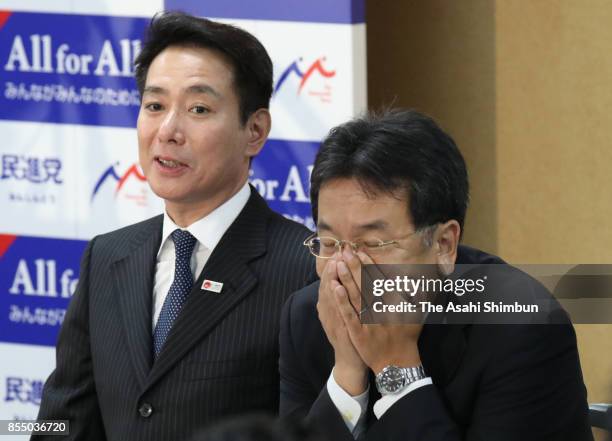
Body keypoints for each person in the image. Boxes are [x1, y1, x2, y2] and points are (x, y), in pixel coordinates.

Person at [34, 11, 316, 441]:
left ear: (255, 131)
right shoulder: (107, 257)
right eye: (155, 105)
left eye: (198, 109)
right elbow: (62, 423)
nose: (167, 131)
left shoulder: (305, 267)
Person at [279, 109, 593, 440]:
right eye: (329, 242)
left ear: (443, 244)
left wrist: (396, 368)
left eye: (371, 243)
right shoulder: (306, 317)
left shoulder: (522, 328)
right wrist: (345, 376)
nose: (344, 266)